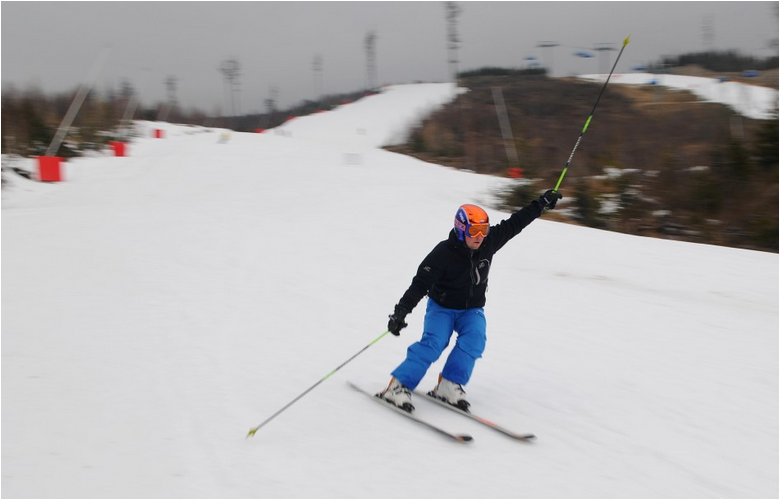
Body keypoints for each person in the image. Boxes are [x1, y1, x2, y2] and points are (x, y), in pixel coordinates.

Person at [378, 189, 563, 412]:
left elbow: (516, 222)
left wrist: (541, 204)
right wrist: (401, 311)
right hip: (442, 308)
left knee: (475, 339)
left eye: (483, 230)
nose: (480, 236)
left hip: (471, 309)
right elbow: (420, 284)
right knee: (434, 344)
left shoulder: (488, 241)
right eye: (474, 230)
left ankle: (449, 384)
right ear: (461, 229)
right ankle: (398, 387)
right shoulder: (443, 253)